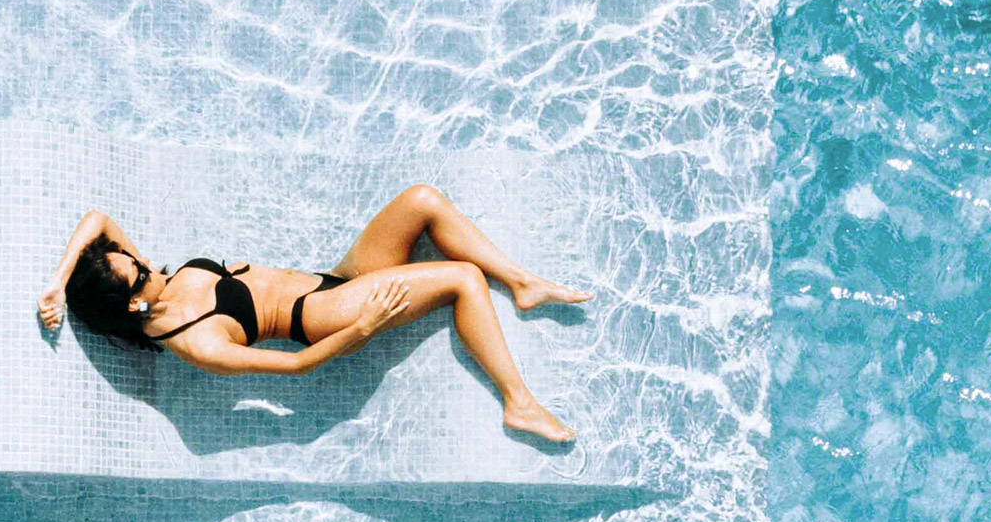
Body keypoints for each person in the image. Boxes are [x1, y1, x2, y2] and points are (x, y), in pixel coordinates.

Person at [37, 183, 587, 445]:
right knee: (463, 281)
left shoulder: (147, 282)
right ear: (132, 303)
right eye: (138, 272)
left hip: (338, 277)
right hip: (325, 313)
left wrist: (59, 285)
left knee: (422, 199)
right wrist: (361, 327)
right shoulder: (193, 340)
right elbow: (296, 370)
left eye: (133, 257)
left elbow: (98, 218)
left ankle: (522, 283)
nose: (146, 262)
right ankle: (519, 404)